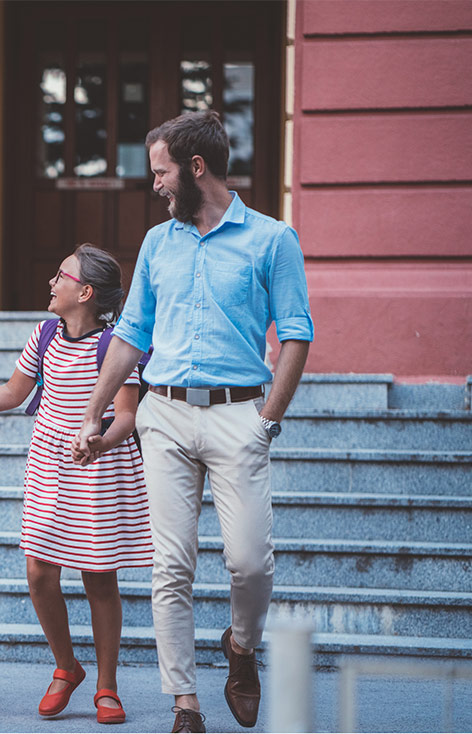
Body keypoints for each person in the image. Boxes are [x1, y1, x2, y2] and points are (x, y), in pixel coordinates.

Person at [73, 111, 313, 733]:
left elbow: (295, 335)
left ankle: (239, 647)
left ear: (195, 169)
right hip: (166, 416)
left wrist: (267, 419)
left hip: (240, 414)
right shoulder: (159, 242)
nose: (153, 184)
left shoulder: (271, 239)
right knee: (170, 564)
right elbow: (130, 337)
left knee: (249, 564)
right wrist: (95, 414)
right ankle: (184, 702)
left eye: (161, 172)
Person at [0, 245, 153, 725]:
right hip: (49, 466)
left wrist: (97, 442)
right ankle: (66, 666)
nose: (51, 282)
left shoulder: (115, 344)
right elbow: (14, 392)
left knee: (99, 578)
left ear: (85, 292)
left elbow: (126, 416)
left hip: (99, 468)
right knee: (39, 572)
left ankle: (107, 685)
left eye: (62, 276)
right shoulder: (44, 335)